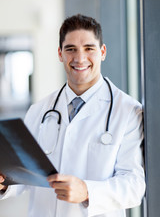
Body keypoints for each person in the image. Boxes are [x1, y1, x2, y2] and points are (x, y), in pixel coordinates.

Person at [0, 14, 145, 217]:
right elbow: (24, 175)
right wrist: (4, 183)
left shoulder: (128, 111)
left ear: (102, 52)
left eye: (89, 48)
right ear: (60, 54)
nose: (79, 58)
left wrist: (87, 191)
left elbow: (134, 186)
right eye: (71, 49)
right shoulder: (39, 110)